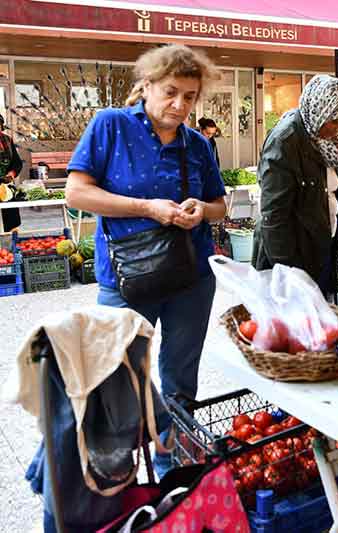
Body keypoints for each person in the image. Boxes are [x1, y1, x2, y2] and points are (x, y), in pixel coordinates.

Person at [64, 44, 227, 480]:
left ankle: (170, 467)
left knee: (180, 378)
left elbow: (220, 205)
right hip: (125, 279)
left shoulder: (196, 143)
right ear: (148, 85)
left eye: (190, 96)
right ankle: (116, 481)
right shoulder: (110, 126)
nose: (180, 104)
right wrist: (148, 208)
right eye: (171, 92)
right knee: (117, 377)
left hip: (190, 276)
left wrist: (199, 209)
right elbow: (77, 194)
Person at [252, 74, 338, 299]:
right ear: (321, 110)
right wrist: (289, 273)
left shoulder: (323, 139)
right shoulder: (286, 141)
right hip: (294, 255)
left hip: (320, 248)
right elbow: (274, 216)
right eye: (337, 121)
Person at [0, 114, 22, 231]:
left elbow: (17, 162)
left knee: (11, 217)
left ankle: (12, 241)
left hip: (6, 185)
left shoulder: (7, 140)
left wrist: (11, 174)